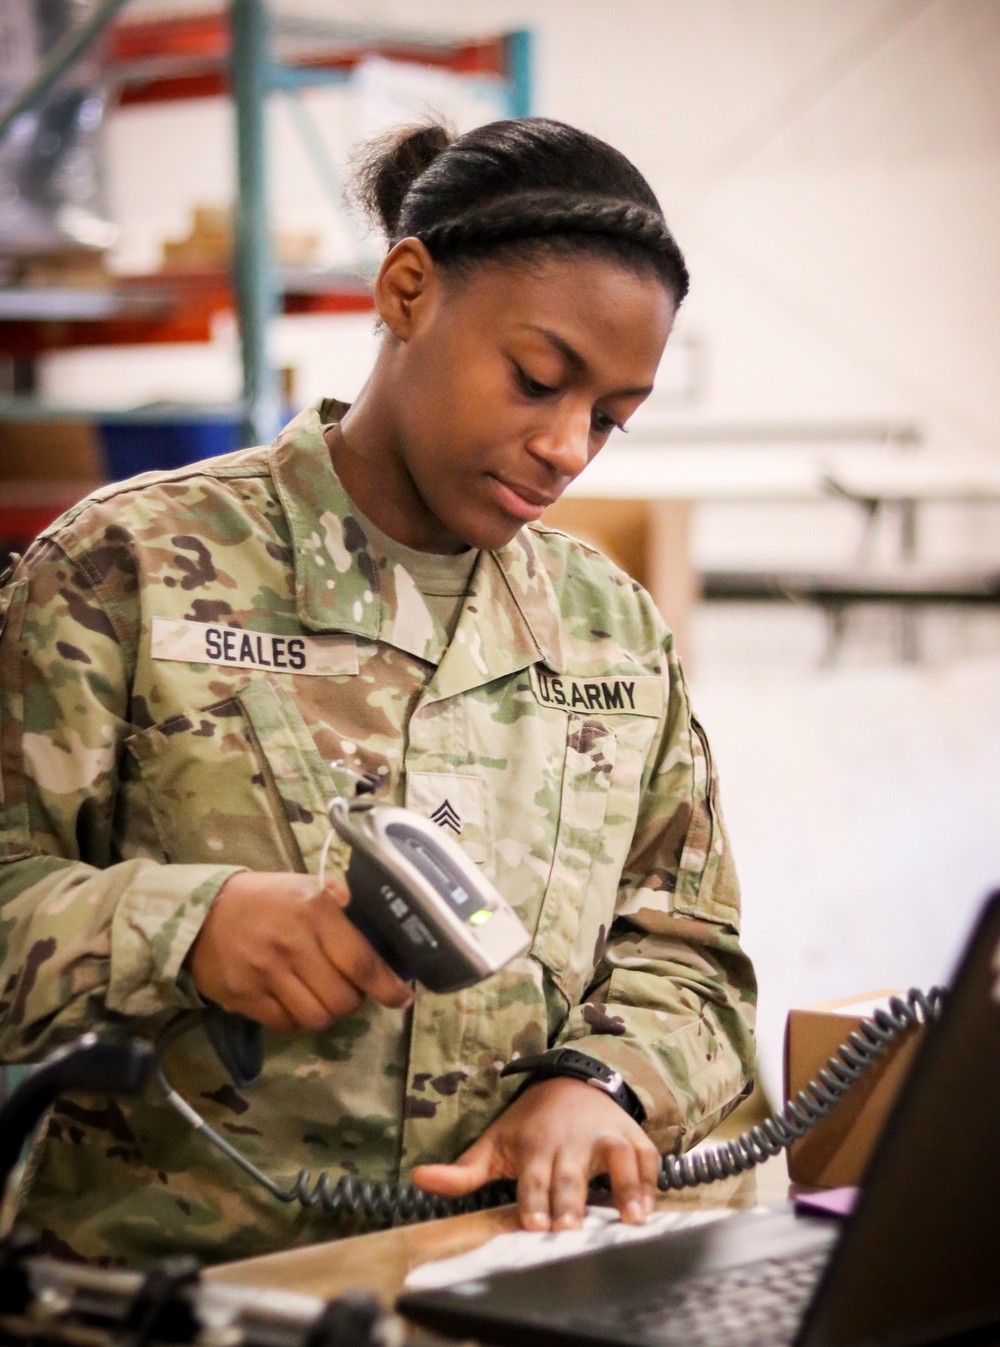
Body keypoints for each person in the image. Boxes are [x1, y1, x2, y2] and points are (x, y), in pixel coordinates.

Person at [0, 117, 756, 1268]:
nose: (566, 449)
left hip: (498, 1280)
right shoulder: (129, 568)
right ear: (407, 291)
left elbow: (692, 957)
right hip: (176, 1295)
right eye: (537, 380)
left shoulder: (612, 631)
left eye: (608, 418)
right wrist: (184, 927)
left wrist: (604, 1084)